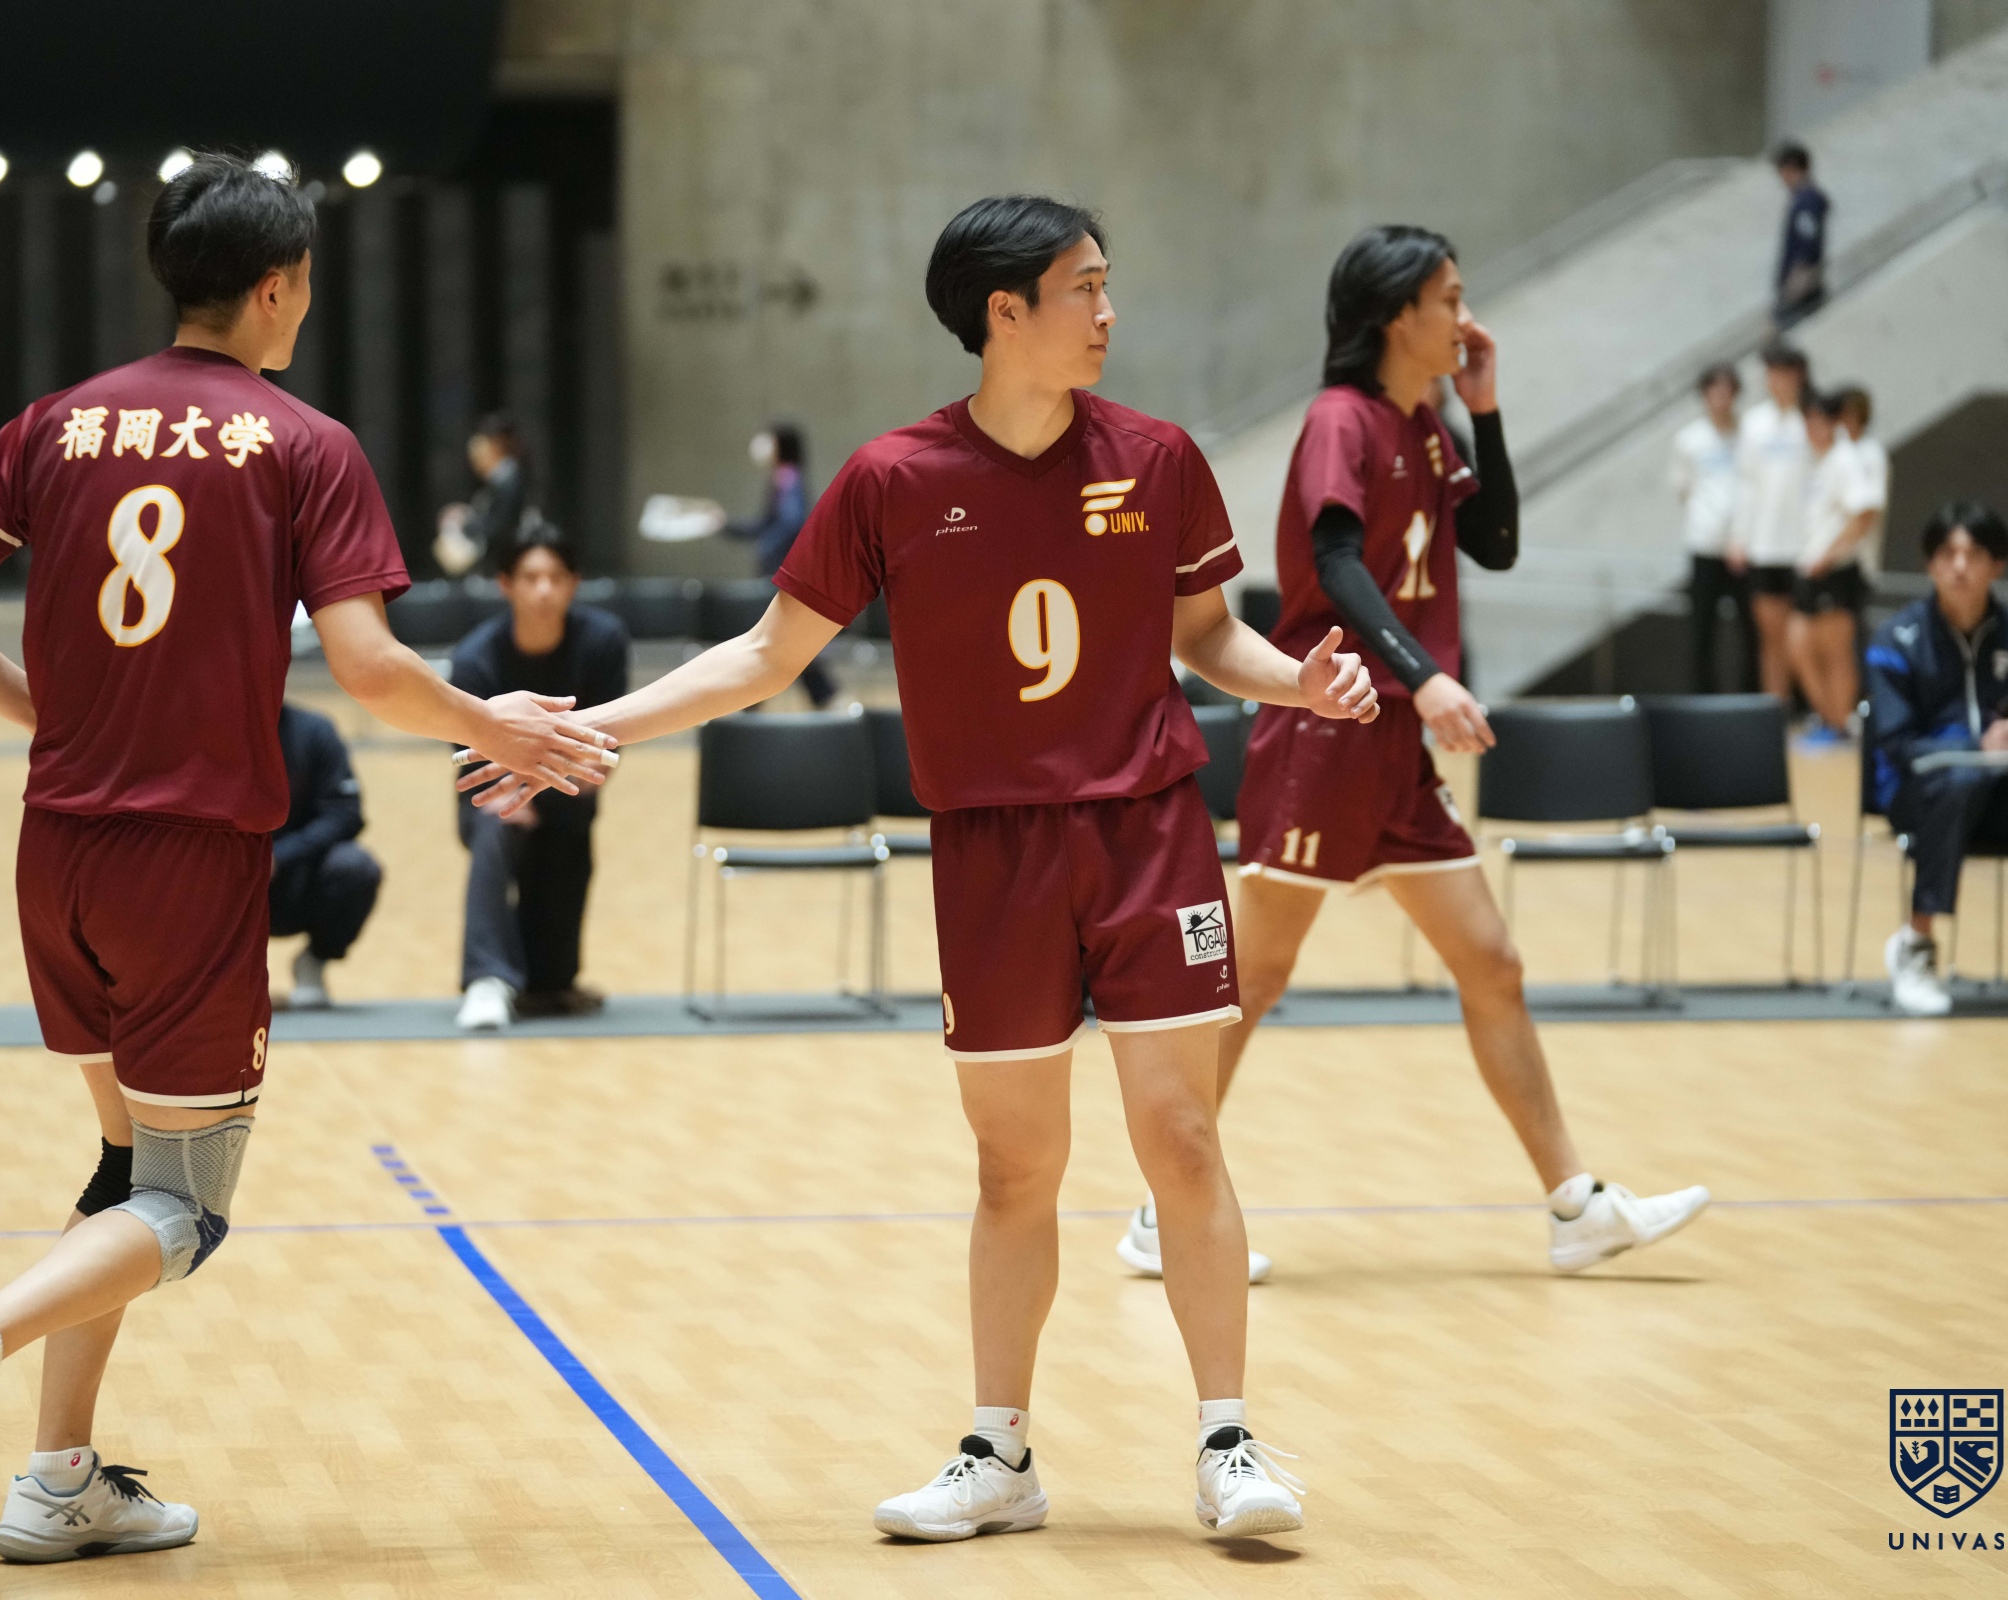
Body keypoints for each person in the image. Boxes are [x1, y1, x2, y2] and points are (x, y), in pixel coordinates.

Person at [462, 194, 1379, 1543]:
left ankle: (1227, 1443)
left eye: (1108, 284)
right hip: (993, 852)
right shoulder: (894, 478)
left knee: (1182, 1134)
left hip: (1148, 832)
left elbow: (1205, 635)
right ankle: (1000, 1454)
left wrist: (1296, 681)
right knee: (1015, 1167)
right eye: (1084, 288)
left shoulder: (1160, 457)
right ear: (1005, 312)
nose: (1109, 312)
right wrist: (592, 729)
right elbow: (766, 655)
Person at [0, 151, 612, 1562]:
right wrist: (494, 724)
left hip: (57, 848)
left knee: (124, 1162)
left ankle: (57, 1482)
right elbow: (371, 669)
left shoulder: (56, 424)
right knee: (187, 1208)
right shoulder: (302, 444)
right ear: (277, 288)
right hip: (190, 862)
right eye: (307, 284)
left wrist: (48, 716)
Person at [1118, 224, 1709, 1293]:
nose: (1466, 318)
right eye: (1450, 299)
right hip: (1328, 726)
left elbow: (1496, 544)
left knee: (1492, 963)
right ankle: (1165, 1212)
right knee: (1254, 977)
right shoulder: (1339, 420)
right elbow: (1336, 559)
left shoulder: (1428, 425)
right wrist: (1424, 675)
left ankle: (1575, 1208)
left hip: (1396, 749)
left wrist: (1487, 411)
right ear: (1399, 314)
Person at [1868, 502, 2008, 1016]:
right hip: (1919, 793)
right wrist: (1976, 750)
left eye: (1973, 554)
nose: (1959, 566)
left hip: (2004, 796)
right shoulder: (1896, 641)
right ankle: (1915, 946)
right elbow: (1898, 744)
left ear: (1997, 565)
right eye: (1947, 554)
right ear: (1929, 564)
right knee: (1958, 781)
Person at [448, 528, 630, 1028]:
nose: (544, 590)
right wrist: (519, 793)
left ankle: (547, 979)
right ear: (506, 584)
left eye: (556, 577)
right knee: (496, 824)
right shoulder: (475, 658)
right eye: (531, 578)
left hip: (571, 790)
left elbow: (604, 755)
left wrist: (546, 783)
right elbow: (472, 765)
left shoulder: (603, 642)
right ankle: (486, 979)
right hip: (494, 795)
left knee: (550, 985)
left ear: (574, 583)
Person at [1789, 386, 1887, 741]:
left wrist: (1829, 555)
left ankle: (1839, 724)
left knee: (1836, 653)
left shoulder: (1846, 458)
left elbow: (1865, 512)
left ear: (1834, 423)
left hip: (1836, 571)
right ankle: (1829, 718)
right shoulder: (1817, 460)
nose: (1813, 429)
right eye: (1808, 421)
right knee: (1799, 645)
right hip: (1810, 570)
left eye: (1820, 421)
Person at [270, 703, 383, 1009]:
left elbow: (346, 813)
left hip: (295, 878)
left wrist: (278, 857)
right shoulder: (208, 731)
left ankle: (314, 960)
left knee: (354, 867)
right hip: (223, 876)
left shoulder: (314, 730)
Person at [1732, 342, 1815, 700]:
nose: (1776, 381)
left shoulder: (1813, 419)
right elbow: (1745, 483)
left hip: (1806, 548)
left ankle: (1815, 711)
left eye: (1783, 373)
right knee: (1771, 638)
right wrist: (1739, 536)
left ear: (1799, 375)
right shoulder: (1754, 423)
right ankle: (1776, 712)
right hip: (1764, 547)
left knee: (1806, 637)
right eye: (1771, 374)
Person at [732, 421, 835, 706]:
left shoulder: (788, 478)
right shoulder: (783, 477)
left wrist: (766, 551)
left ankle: (823, 697)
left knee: (780, 641)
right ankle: (824, 697)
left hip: (782, 574)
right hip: (781, 572)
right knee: (783, 641)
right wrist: (725, 524)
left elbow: (790, 523)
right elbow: (765, 525)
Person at [1671, 363, 1750, 693]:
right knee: (1702, 629)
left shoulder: (1749, 434)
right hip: (1704, 544)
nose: (1720, 398)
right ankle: (1703, 700)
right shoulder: (1689, 439)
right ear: (1704, 395)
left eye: (1726, 391)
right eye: (1714, 392)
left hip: (1746, 548)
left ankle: (1751, 698)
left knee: (1751, 630)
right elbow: (1683, 489)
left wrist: (1739, 536)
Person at [435, 412, 530, 575]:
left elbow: (500, 527)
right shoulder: (500, 481)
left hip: (502, 565)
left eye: (481, 451)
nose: (475, 458)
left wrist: (465, 523)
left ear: (497, 445)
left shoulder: (510, 481)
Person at [1772, 141, 1829, 328]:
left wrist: (1794, 285)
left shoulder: (1807, 202)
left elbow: (1808, 244)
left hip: (1801, 284)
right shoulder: (1804, 199)